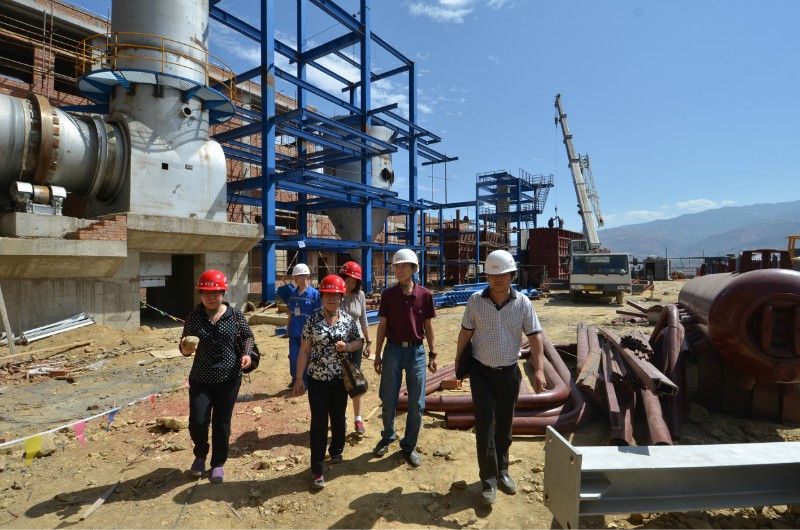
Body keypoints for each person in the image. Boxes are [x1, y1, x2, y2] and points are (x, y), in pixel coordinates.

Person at [454, 250, 546, 506]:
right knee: (485, 425)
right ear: (487, 276)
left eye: (503, 275)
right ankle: (488, 480)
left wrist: (539, 370)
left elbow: (535, 336)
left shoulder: (523, 303)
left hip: (509, 372)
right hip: (481, 372)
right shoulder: (475, 301)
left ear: (511, 275)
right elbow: (465, 333)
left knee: (504, 425)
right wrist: (458, 362)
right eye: (493, 275)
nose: (498, 280)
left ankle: (503, 470)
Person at [179, 270, 255, 484]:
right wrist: (185, 349)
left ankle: (218, 463)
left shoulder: (235, 315)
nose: (211, 297)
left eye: (215, 293)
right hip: (200, 379)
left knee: (222, 422)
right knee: (197, 421)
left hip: (229, 379)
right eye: (206, 293)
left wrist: (247, 354)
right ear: (201, 294)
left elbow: (248, 337)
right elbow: (183, 346)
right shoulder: (194, 318)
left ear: (223, 293)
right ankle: (200, 455)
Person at [293, 275, 363, 490]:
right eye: (328, 295)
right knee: (319, 423)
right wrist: (299, 378)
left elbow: (359, 341)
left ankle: (336, 450)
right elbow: (304, 351)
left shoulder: (348, 320)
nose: (332, 299)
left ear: (342, 297)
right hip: (318, 380)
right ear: (322, 297)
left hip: (340, 379)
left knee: (339, 417)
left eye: (336, 296)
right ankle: (317, 469)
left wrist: (348, 347)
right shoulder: (312, 321)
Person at [373, 248, 437, 467]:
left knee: (417, 403)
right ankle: (387, 436)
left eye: (403, 266)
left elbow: (428, 327)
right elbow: (382, 326)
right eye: (396, 267)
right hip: (392, 351)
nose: (399, 270)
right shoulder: (388, 295)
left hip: (416, 353)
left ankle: (409, 445)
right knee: (388, 398)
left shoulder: (425, 295)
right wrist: (378, 355)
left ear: (413, 268)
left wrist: (433, 354)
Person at [338, 261, 372, 436]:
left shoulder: (360, 295)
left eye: (353, 282)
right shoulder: (335, 294)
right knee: (340, 381)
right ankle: (341, 416)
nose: (350, 284)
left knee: (355, 380)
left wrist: (369, 342)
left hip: (356, 343)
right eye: (347, 281)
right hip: (338, 344)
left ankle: (358, 419)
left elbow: (364, 319)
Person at [286, 263, 321, 388]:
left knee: (307, 357)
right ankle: (295, 378)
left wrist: (316, 332)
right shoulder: (293, 293)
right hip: (294, 332)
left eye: (297, 276)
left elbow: (318, 316)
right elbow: (290, 312)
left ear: (306, 276)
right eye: (295, 276)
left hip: (308, 334)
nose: (295, 279)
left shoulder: (315, 294)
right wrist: (288, 328)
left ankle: (305, 381)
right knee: (293, 357)